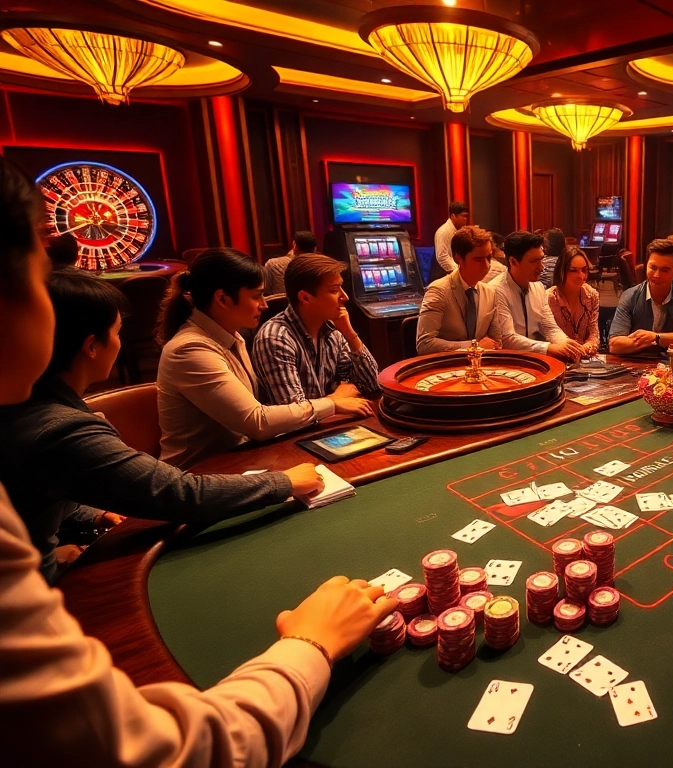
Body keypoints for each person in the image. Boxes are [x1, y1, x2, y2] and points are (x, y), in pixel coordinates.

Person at [0, 152, 399, 767]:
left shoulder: (228, 337)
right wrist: (312, 640)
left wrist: (79, 520)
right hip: (206, 479)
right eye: (37, 269)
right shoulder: (81, 413)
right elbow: (198, 475)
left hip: (220, 472)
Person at [0, 271, 324, 583]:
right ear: (91, 346)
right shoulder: (62, 430)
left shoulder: (26, 400)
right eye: (116, 331)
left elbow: (42, 489)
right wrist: (284, 482)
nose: (119, 340)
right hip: (29, 607)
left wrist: (90, 516)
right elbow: (181, 494)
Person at [157, 249, 374, 468]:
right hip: (197, 474)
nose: (265, 304)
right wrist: (332, 403)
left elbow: (365, 385)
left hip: (240, 460)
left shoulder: (232, 336)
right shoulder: (189, 349)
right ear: (222, 299)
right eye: (256, 295)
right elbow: (257, 422)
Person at [253, 254, 382, 408]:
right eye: (334, 290)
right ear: (305, 298)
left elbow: (373, 388)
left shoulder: (333, 331)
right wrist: (336, 400)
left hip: (333, 425)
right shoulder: (275, 338)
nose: (345, 297)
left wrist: (349, 333)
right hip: (299, 432)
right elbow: (295, 414)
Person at [416, 225, 522, 354]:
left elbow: (496, 341)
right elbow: (424, 344)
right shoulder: (438, 291)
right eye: (478, 259)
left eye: (488, 258)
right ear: (458, 258)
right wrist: (473, 346)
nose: (487, 265)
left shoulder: (490, 292)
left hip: (481, 367)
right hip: (446, 367)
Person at [489, 230, 586, 362]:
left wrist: (566, 344)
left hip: (534, 360)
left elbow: (549, 327)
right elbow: (507, 339)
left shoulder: (538, 287)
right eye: (534, 261)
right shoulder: (496, 290)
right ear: (513, 261)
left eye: (541, 259)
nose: (541, 267)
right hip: (507, 362)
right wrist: (548, 348)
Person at [607, 237, 673, 356]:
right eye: (653, 268)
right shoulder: (630, 295)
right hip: (637, 365)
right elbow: (615, 345)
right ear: (646, 266)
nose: (656, 275)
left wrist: (655, 337)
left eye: (665, 270)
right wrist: (658, 340)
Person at [547, 246, 601, 357]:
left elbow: (593, 333)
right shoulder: (549, 298)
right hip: (557, 358)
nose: (581, 276)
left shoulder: (592, 296)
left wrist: (589, 346)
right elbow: (549, 337)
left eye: (584, 270)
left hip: (585, 357)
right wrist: (575, 350)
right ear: (562, 271)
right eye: (574, 271)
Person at [262, 230, 317, 297]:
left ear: (294, 245)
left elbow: (266, 292)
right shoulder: (322, 265)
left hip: (280, 305)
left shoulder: (273, 264)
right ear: (314, 249)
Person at [433, 201, 469, 276]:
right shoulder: (443, 232)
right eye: (463, 216)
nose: (465, 219)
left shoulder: (461, 230)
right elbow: (442, 257)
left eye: (466, 216)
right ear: (453, 216)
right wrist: (459, 271)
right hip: (444, 275)